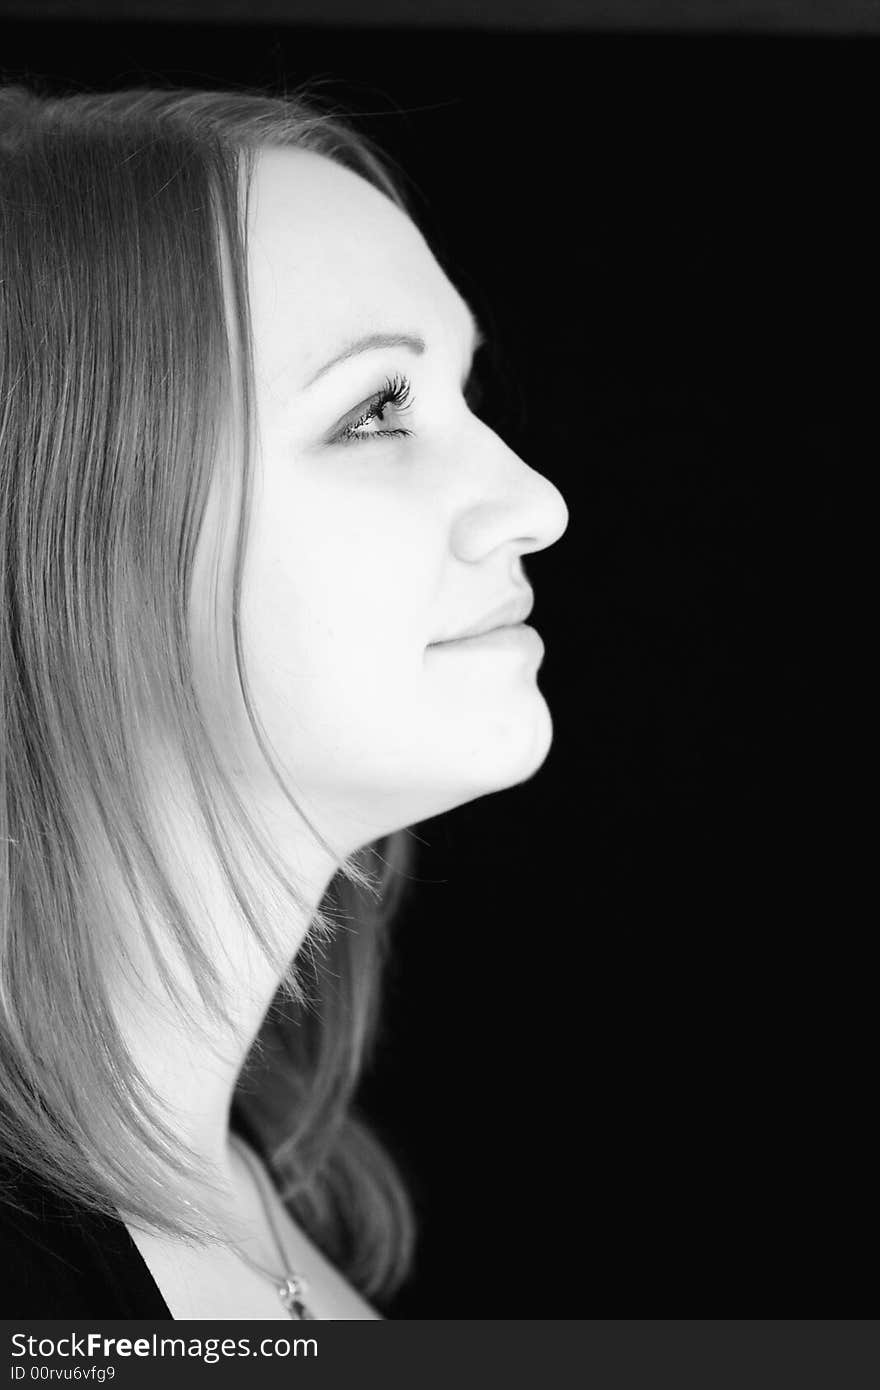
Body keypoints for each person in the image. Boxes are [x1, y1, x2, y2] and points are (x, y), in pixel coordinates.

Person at [0, 80, 569, 1319]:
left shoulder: (283, 1204)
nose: (534, 501)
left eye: (462, 393)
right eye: (376, 409)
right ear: (72, 536)